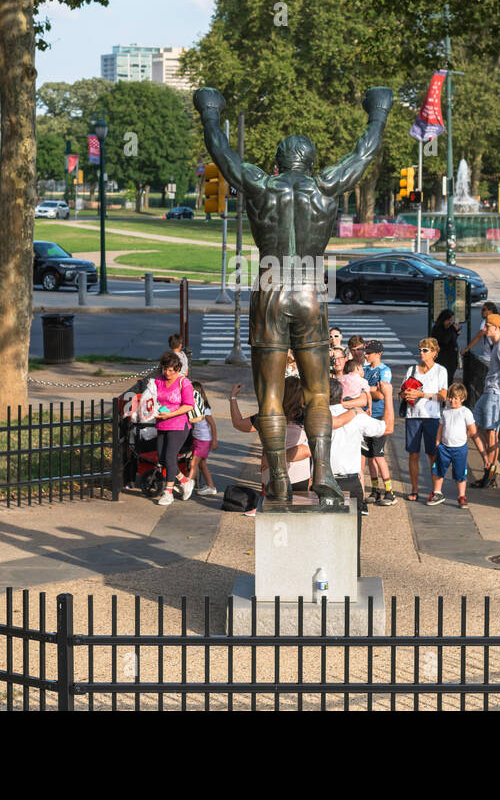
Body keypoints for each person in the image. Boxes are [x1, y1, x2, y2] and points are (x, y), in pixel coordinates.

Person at [195, 84, 392, 507]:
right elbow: (366, 151)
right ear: (311, 161)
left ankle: (279, 477)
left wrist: (210, 110)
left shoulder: (261, 185)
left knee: (268, 395)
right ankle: (323, 475)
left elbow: (221, 153)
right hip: (309, 290)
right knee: (320, 393)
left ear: (278, 162)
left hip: (269, 287)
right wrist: (378, 109)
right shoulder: (326, 184)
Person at [228, 378, 322, 518]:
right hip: (299, 474)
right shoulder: (306, 416)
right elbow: (307, 449)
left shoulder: (267, 416)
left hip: (271, 473)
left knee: (274, 518)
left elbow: (239, 424)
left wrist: (233, 397)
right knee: (297, 516)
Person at [329, 378, 386, 533]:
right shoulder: (357, 416)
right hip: (349, 481)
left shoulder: (314, 416)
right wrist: (388, 398)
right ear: (341, 397)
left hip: (324, 481)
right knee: (352, 535)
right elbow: (384, 428)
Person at [400, 337, 448, 502]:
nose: (421, 353)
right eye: (420, 349)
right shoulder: (412, 370)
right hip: (413, 416)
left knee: (433, 454)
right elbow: (402, 390)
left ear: (434, 353)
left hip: (431, 417)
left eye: (425, 350)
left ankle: (436, 490)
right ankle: (414, 489)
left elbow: (443, 396)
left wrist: (422, 394)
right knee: (413, 453)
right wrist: (406, 394)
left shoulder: (440, 370)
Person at [474, 313, 500, 485]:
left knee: (490, 432)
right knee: (480, 429)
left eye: (487, 327)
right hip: (490, 392)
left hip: (495, 394)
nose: (485, 329)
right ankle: (489, 467)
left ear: (496, 328)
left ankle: (489, 471)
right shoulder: (497, 344)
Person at [152, 351, 196, 506]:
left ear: (177, 369)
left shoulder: (184, 382)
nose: (167, 373)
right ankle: (184, 481)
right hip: (162, 422)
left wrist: (171, 414)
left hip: (179, 423)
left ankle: (168, 492)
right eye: (165, 369)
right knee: (162, 458)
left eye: (171, 370)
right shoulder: (159, 380)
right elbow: (153, 398)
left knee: (170, 456)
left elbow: (189, 405)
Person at [429, 382, 478, 508]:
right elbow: (441, 427)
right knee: (438, 470)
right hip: (444, 447)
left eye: (455, 398)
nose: (452, 400)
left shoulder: (465, 412)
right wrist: (438, 441)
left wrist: (464, 437)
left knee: (460, 472)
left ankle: (462, 496)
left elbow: (473, 430)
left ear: (462, 398)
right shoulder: (446, 411)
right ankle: (437, 492)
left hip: (459, 448)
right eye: (450, 397)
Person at [361, 340, 396, 505]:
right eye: (365, 352)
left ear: (378, 354)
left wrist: (367, 390)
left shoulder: (384, 370)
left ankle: (389, 491)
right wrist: (371, 389)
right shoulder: (365, 368)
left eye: (369, 352)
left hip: (379, 416)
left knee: (378, 455)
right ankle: (375, 489)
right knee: (369, 456)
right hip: (366, 416)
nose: (366, 355)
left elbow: (382, 393)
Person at [188, 381, 219, 497]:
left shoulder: (205, 410)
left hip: (204, 440)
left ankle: (187, 486)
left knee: (193, 463)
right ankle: (211, 487)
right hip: (198, 439)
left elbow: (213, 425)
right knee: (202, 465)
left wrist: (214, 440)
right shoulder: (192, 408)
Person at [431, 309, 461, 383]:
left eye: (452, 320)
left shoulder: (449, 328)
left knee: (449, 379)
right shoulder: (438, 328)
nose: (450, 323)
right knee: (443, 380)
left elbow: (451, 340)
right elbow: (444, 340)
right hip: (443, 359)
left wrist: (456, 333)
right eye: (449, 320)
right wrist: (452, 329)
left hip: (451, 360)